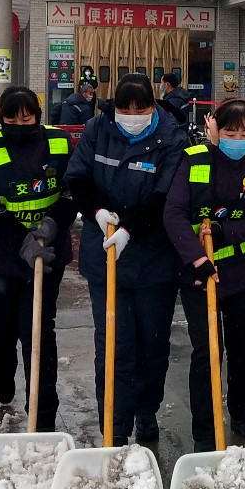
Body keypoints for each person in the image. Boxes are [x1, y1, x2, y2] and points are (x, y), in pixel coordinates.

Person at [65, 72, 186, 445]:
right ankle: (114, 425)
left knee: (152, 344)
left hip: (154, 257)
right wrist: (98, 212)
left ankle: (146, 411)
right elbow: (78, 178)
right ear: (113, 106)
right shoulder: (97, 130)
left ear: (153, 105)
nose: (132, 115)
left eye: (141, 108)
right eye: (125, 108)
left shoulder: (172, 137)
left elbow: (167, 195)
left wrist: (130, 228)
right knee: (114, 345)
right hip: (106, 256)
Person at [163, 99, 245, 453]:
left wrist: (227, 232)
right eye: (230, 131)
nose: (237, 139)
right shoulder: (195, 160)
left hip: (243, 271)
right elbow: (174, 214)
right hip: (199, 273)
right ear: (214, 129)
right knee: (207, 349)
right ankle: (205, 427)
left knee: (242, 347)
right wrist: (197, 259)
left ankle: (242, 412)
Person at [0, 86, 77, 430]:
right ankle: (3, 377)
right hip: (0, 257)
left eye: (27, 117)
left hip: (48, 253)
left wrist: (51, 225)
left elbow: (72, 189)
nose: (20, 124)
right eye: (12, 119)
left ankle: (42, 414)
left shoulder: (59, 142)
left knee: (38, 332)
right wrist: (22, 241)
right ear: (1, 118)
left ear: (37, 116)